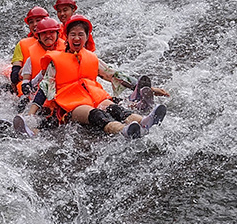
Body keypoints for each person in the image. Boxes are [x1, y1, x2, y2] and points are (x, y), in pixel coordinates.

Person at [22, 16, 167, 138]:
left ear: (86, 37)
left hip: (94, 98)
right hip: (71, 105)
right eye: (73, 34)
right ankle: (123, 130)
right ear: (67, 37)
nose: (77, 38)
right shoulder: (56, 62)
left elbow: (115, 76)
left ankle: (145, 121)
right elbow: (44, 88)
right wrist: (30, 116)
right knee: (97, 115)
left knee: (116, 109)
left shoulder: (91, 58)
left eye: (81, 34)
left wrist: (150, 89)